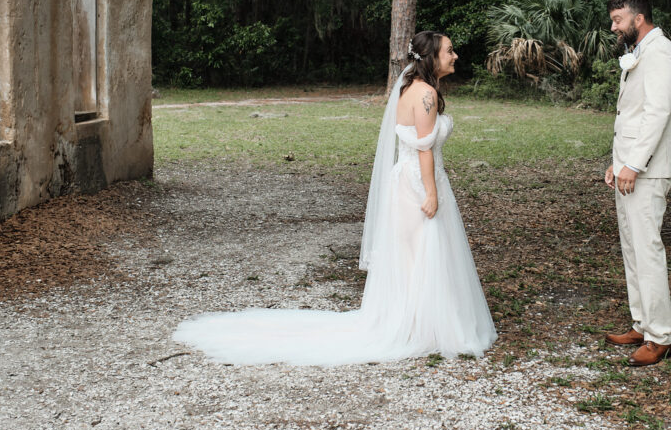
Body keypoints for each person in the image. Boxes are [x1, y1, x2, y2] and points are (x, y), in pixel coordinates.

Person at [173, 31, 497, 366]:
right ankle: (426, 328)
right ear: (431, 57)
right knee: (426, 252)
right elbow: (425, 148)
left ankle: (418, 323)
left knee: (414, 256)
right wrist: (431, 192)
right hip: (419, 183)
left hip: (406, 181)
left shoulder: (410, 90)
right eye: (449, 50)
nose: (455, 55)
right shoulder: (426, 94)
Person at [602, 0, 671, 367]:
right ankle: (641, 323)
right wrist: (617, 164)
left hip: (647, 170)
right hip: (629, 167)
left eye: (619, 20)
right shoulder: (641, 52)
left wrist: (633, 164)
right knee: (632, 248)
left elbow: (657, 114)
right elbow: (629, 116)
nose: (614, 27)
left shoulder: (661, 51)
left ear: (639, 18)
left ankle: (660, 336)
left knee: (647, 250)